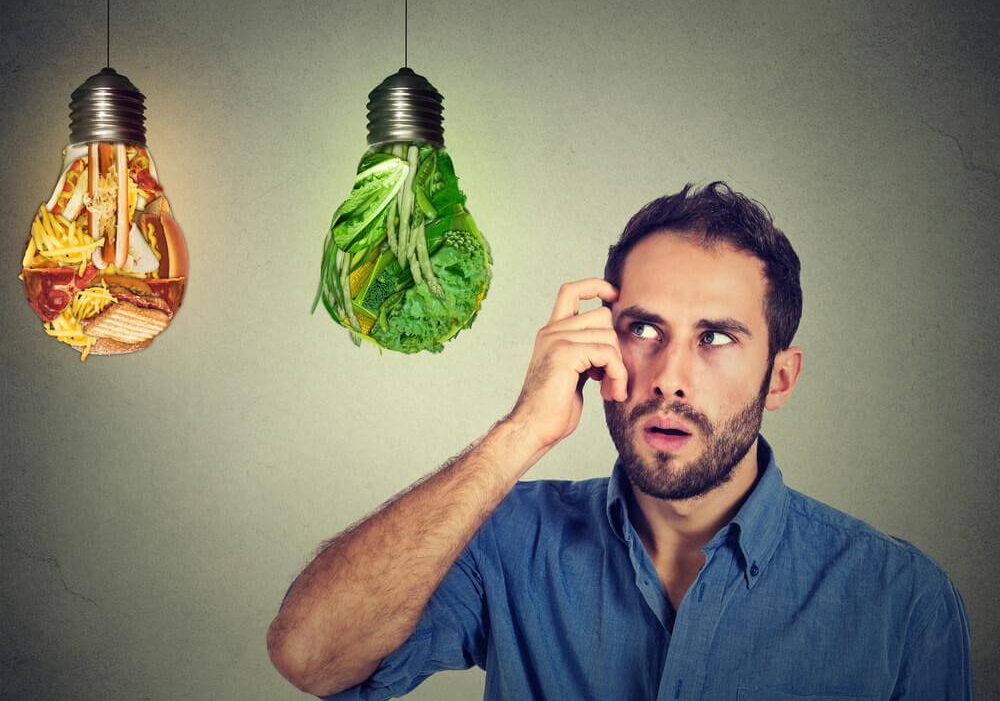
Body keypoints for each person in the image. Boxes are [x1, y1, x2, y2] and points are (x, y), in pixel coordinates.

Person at [266, 182, 973, 700]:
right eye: (644, 329)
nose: (670, 378)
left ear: (779, 379)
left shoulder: (901, 602)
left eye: (717, 338)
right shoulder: (509, 540)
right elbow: (310, 656)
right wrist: (519, 433)